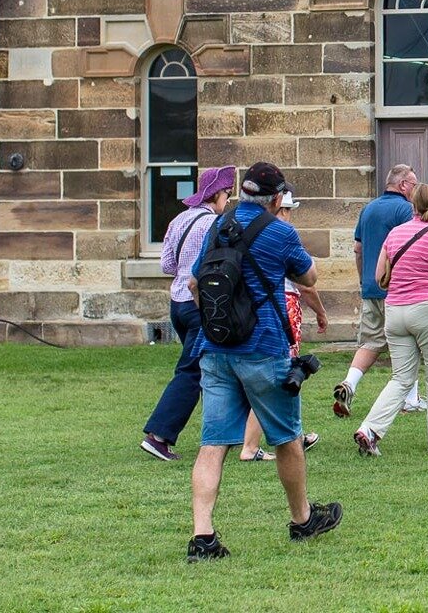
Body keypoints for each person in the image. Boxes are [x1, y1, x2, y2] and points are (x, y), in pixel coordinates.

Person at [187, 162, 341, 561]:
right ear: (276, 198)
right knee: (288, 438)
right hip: (263, 347)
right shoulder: (280, 231)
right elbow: (309, 277)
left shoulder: (218, 226)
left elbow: (193, 282)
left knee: (213, 443)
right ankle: (302, 519)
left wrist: (215, 324)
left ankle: (202, 535)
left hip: (216, 349)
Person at [355, 183, 428, 456]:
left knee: (401, 378)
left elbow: (380, 276)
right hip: (427, 307)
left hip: (394, 310)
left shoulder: (394, 234)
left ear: (412, 206)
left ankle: (370, 429)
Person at [141, 165, 234, 462]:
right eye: (227, 194)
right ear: (216, 194)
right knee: (192, 371)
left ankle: (223, 433)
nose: (228, 201)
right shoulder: (215, 225)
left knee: (210, 366)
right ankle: (159, 436)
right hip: (200, 306)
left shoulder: (179, 219)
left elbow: (167, 265)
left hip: (177, 305)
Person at [240, 190, 325, 462]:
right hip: (283, 306)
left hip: (255, 309)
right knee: (281, 376)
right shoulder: (282, 235)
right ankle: (252, 445)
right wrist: (321, 312)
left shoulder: (253, 232)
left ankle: (293, 435)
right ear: (283, 209)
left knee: (276, 375)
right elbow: (306, 282)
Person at [334, 163, 418, 420]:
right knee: (409, 342)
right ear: (403, 185)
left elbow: (358, 250)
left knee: (370, 341)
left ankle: (349, 384)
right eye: (413, 185)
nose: (415, 190)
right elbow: (412, 246)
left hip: (371, 287)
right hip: (398, 289)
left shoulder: (368, 209)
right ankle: (411, 399)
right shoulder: (405, 209)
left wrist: (364, 281)